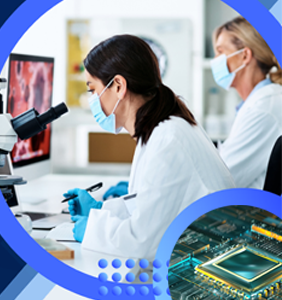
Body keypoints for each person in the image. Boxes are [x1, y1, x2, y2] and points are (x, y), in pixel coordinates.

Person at [64, 35, 235, 260]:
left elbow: (142, 243)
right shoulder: (160, 129)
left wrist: (92, 231)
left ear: (118, 86)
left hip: (209, 266)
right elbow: (149, 207)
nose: (93, 100)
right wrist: (100, 210)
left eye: (93, 90)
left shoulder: (167, 138)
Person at [211, 17, 282, 189]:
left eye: (220, 52)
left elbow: (224, 180)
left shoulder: (263, 109)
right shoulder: (258, 103)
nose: (215, 60)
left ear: (244, 55)